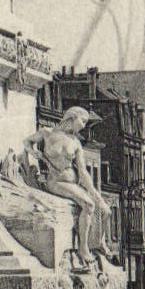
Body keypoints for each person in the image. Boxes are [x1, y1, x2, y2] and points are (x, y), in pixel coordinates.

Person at [24, 110, 115, 267]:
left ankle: (98, 242)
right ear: (73, 118)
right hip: (56, 182)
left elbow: (82, 171)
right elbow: (27, 141)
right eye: (83, 121)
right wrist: (33, 151)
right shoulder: (47, 132)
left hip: (73, 183)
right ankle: (83, 248)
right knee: (89, 205)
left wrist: (93, 191)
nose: (84, 126)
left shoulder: (76, 142)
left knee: (104, 209)